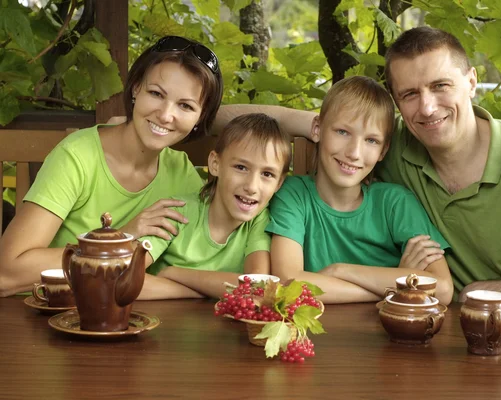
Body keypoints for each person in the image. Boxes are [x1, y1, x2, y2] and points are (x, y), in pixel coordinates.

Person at [216, 27, 501, 314]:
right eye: (410, 94)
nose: (428, 108)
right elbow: (282, 121)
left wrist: (480, 290)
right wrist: (182, 118)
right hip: (418, 312)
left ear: (471, 82)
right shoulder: (389, 140)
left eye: (441, 86)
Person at [0, 36, 223, 299]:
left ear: (201, 117)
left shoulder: (181, 173)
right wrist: (120, 239)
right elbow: (7, 273)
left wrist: (184, 288)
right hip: (50, 317)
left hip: (129, 317)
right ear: (135, 89)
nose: (165, 115)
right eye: (156, 94)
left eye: (185, 106)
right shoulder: (78, 156)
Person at [265, 76, 453, 305]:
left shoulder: (395, 203)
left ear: (383, 151)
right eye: (343, 132)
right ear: (317, 129)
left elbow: (442, 289)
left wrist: (339, 271)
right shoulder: (294, 195)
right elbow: (289, 282)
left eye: (371, 141)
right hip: (312, 336)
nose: (354, 152)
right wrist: (394, 288)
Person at [140, 113, 291, 299]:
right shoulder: (176, 212)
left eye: (267, 174)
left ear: (279, 183)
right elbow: (124, 282)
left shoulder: (259, 221)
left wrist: (175, 274)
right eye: (241, 167)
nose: (252, 186)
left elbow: (256, 288)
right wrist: (200, 292)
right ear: (215, 164)